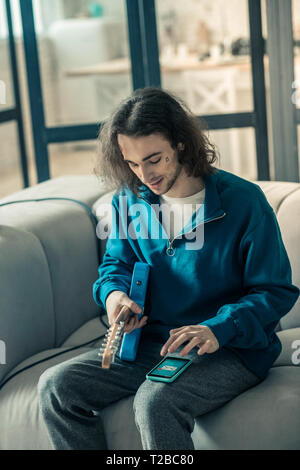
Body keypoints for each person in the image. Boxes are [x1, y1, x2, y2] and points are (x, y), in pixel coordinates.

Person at [37, 87, 299, 450]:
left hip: (229, 348)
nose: (144, 174)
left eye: (154, 159)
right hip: (149, 343)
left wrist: (218, 327)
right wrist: (115, 297)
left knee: (155, 401)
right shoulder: (128, 201)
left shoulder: (243, 202)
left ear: (179, 143)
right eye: (132, 163)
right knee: (56, 387)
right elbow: (115, 266)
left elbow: (275, 291)